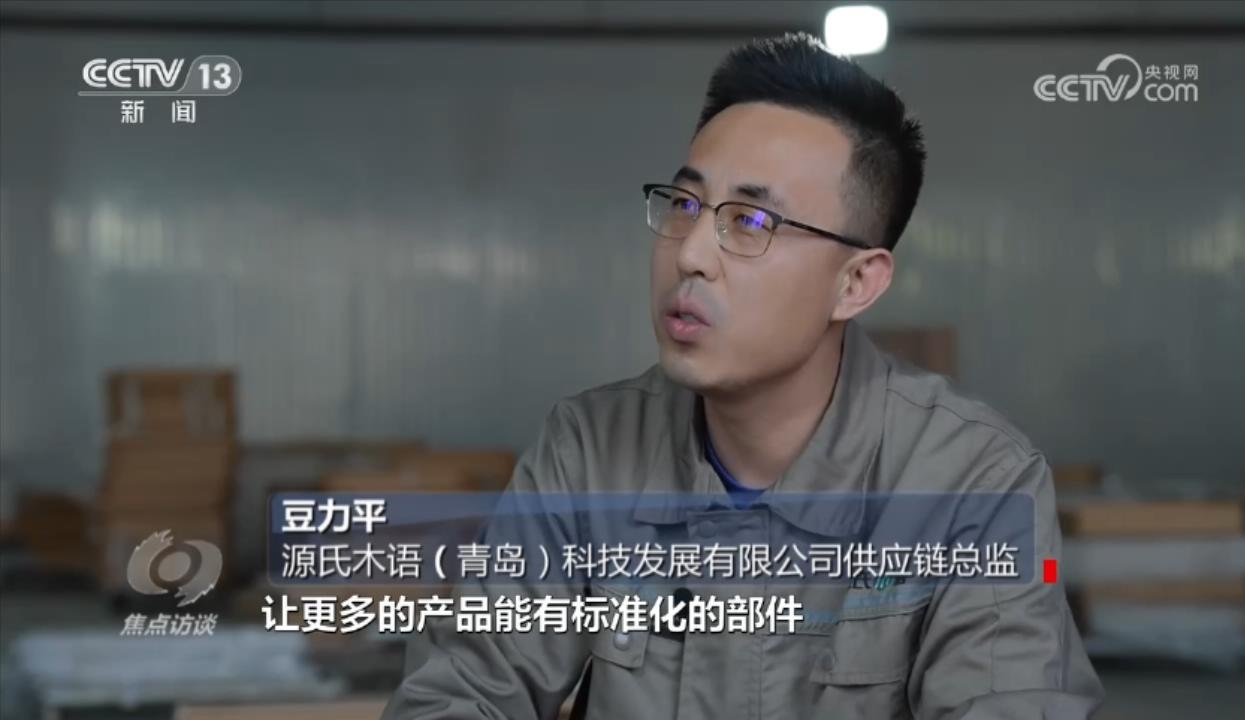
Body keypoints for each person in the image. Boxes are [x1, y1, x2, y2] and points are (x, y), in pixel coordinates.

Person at [383, 32, 1103, 720]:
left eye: (751, 222)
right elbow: (462, 689)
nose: (691, 253)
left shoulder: (973, 485)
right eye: (685, 205)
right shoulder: (589, 450)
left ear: (855, 283)